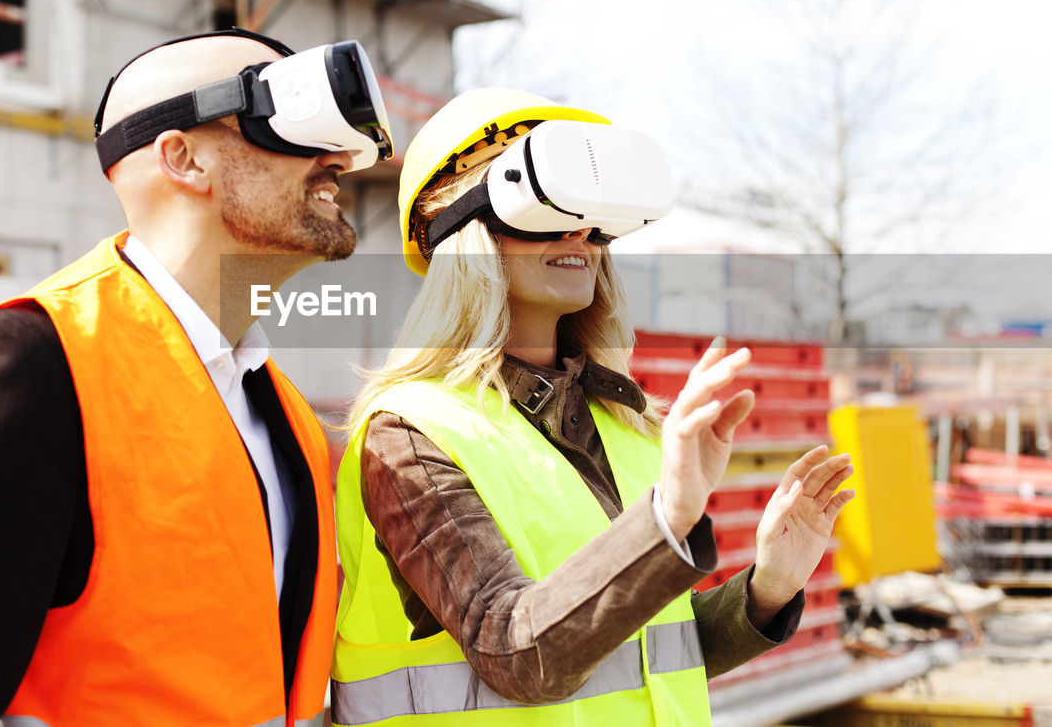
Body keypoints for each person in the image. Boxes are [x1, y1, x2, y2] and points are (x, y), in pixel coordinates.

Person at [0, 28, 390, 727]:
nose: (335, 157)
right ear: (182, 158)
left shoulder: (283, 415)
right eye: (289, 120)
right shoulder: (33, 366)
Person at [331, 88, 856, 725]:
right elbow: (515, 651)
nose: (581, 232)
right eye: (546, 211)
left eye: (591, 215)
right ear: (463, 230)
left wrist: (770, 584)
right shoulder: (413, 434)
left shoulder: (626, 426)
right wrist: (667, 520)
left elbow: (649, 651)